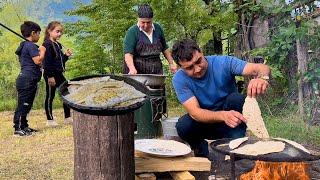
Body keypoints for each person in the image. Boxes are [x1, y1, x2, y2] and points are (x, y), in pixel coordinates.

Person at [171, 39, 271, 157]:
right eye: (189, 68)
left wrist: (262, 78)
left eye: (199, 61)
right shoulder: (179, 79)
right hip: (206, 123)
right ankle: (201, 149)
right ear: (181, 68)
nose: (197, 69)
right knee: (183, 125)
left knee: (237, 99)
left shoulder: (223, 62)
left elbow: (261, 68)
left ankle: (235, 145)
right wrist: (223, 115)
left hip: (232, 123)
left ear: (201, 52)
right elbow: (195, 113)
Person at [123, 4, 177, 74]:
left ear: (152, 19)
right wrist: (132, 68)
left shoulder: (158, 29)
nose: (145, 25)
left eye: (148, 22)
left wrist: (171, 63)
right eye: (143, 22)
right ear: (138, 19)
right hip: (138, 73)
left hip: (156, 72)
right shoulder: (132, 32)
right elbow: (128, 55)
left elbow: (165, 49)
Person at [13, 21, 46, 136]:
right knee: (23, 104)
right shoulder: (30, 45)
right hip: (27, 79)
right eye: (38, 33)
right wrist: (42, 51)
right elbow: (37, 60)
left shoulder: (25, 45)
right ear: (33, 33)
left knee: (27, 104)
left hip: (29, 80)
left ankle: (24, 126)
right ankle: (17, 128)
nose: (39, 36)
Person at [42, 21, 73, 126]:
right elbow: (47, 62)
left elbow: (60, 62)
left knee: (66, 93)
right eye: (57, 31)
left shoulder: (57, 45)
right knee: (50, 96)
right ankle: (50, 120)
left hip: (59, 74)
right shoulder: (47, 44)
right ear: (49, 31)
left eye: (61, 32)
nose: (60, 34)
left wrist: (66, 56)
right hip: (50, 75)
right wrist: (50, 76)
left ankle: (67, 117)